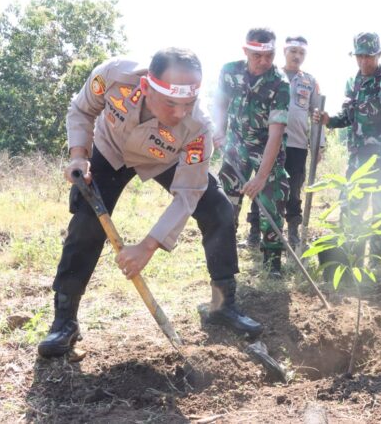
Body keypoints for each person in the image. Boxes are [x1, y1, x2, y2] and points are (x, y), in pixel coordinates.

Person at [38, 48, 263, 358]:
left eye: (189, 103)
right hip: (110, 149)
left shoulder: (198, 128)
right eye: (171, 102)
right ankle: (65, 320)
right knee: (87, 222)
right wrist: (79, 155)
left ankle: (223, 305)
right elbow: (81, 110)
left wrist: (147, 246)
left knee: (219, 210)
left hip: (163, 160)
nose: (180, 113)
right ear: (146, 87)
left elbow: (188, 193)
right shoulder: (115, 75)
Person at [213, 28, 290, 278]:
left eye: (270, 55)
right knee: (225, 201)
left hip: (267, 148)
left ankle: (272, 264)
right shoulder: (229, 71)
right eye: (258, 55)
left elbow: (276, 133)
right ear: (246, 51)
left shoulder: (280, 84)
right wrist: (219, 131)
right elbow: (220, 104)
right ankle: (224, 259)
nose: (264, 61)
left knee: (272, 202)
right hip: (235, 145)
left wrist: (261, 177)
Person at [315, 32, 381, 267]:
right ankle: (352, 258)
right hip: (357, 157)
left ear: (378, 55)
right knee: (351, 206)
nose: (364, 62)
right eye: (359, 57)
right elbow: (348, 117)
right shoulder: (353, 82)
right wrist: (329, 119)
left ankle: (376, 262)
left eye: (369, 57)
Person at [244, 36, 321, 250]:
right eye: (293, 51)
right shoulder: (271, 77)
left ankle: (293, 233)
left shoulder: (310, 82)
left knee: (294, 190)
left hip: (296, 145)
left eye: (301, 53)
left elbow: (317, 116)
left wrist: (318, 146)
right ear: (284, 52)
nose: (297, 56)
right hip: (268, 145)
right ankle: (254, 233)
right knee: (262, 186)